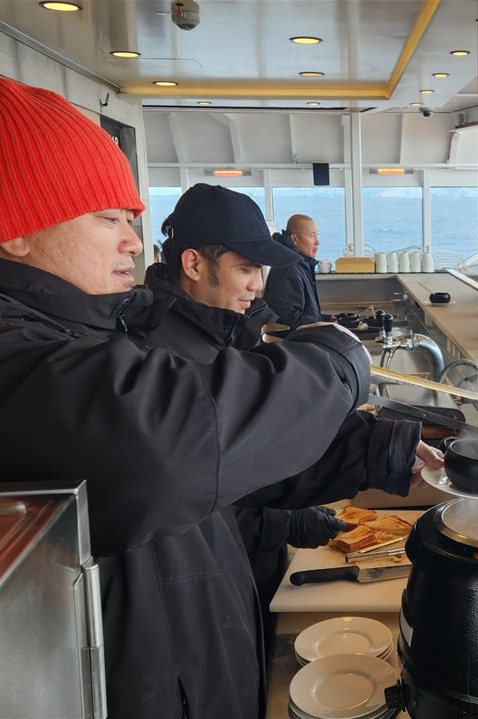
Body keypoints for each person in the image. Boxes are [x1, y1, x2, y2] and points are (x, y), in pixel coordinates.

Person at [0, 78, 428, 718]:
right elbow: (168, 450)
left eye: (132, 221)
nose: (132, 242)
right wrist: (335, 357)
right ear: (15, 232)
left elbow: (219, 477)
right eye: (107, 218)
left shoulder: (76, 338)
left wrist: (390, 451)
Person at [144, 183, 442, 673]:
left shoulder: (219, 333)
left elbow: (259, 448)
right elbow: (191, 505)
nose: (258, 285)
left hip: (239, 570)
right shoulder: (165, 360)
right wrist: (286, 524)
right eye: (245, 268)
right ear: (194, 265)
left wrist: (384, 450)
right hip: (200, 598)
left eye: (259, 270)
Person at [265, 213, 322, 328]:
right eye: (312, 236)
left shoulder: (302, 264)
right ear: (294, 239)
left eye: (317, 236)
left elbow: (304, 313)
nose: (317, 242)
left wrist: (325, 319)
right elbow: (288, 320)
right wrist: (321, 325)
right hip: (294, 342)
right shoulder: (288, 269)